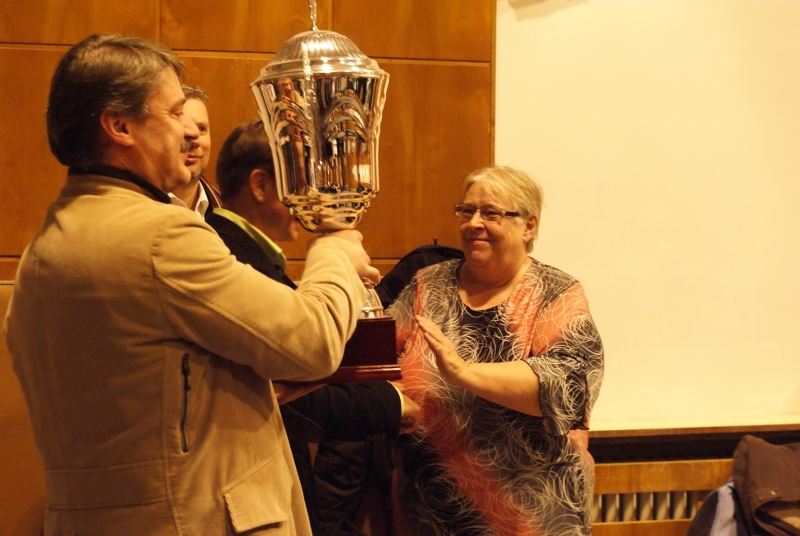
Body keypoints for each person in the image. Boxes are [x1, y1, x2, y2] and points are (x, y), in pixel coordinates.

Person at [3, 33, 379, 536]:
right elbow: (312, 342)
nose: (189, 131)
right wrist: (334, 252)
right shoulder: (160, 235)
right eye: (176, 112)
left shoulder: (41, 251)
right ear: (120, 126)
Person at [206, 118, 419, 535]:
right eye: (302, 184)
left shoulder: (249, 253)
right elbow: (284, 387)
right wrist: (388, 405)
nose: (315, 201)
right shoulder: (230, 257)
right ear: (261, 185)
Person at [387, 165, 604, 536]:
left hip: (529, 517)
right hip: (430, 512)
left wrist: (464, 373)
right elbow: (377, 361)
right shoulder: (428, 284)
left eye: (491, 213)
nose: (474, 223)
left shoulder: (556, 294)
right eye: (466, 211)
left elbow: (567, 388)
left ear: (529, 226)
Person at [170, 84, 221, 216]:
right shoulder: (133, 211)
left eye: (201, 129)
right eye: (182, 129)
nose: (195, 140)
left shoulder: (227, 212)